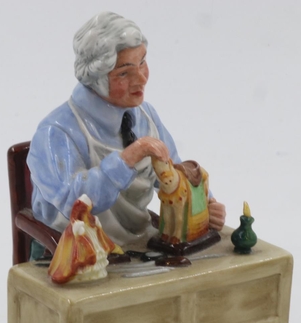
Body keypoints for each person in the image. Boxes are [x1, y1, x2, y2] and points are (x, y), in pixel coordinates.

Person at [28, 12, 225, 249]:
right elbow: (73, 203)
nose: (141, 79)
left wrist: (205, 203)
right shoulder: (55, 133)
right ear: (96, 78)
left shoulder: (145, 116)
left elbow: (173, 170)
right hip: (76, 251)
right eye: (124, 72)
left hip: (138, 241)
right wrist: (128, 158)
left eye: (142, 63)